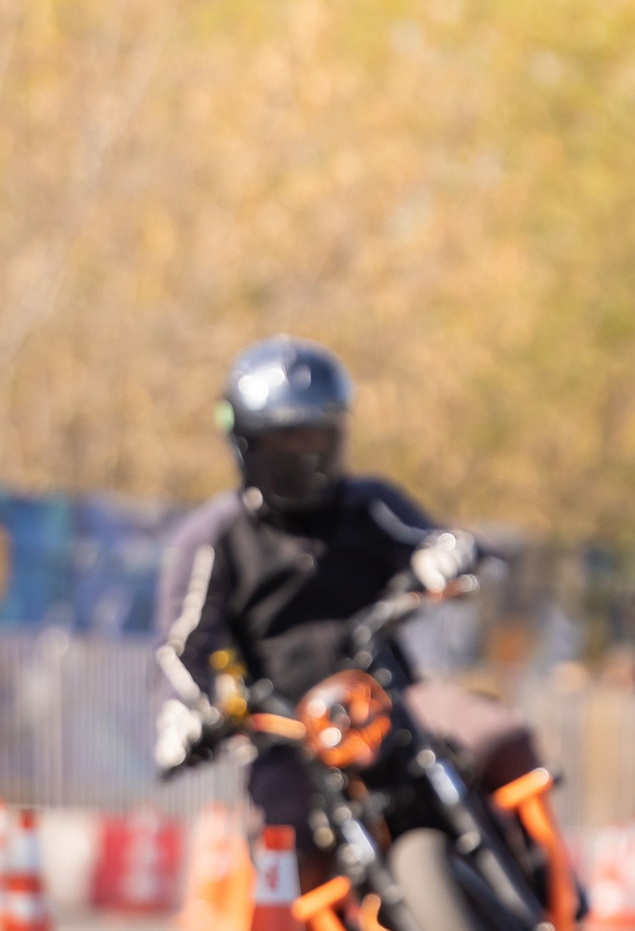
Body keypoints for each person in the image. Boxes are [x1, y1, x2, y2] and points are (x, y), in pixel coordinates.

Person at [153, 336, 539, 872]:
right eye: (285, 443)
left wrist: (448, 553)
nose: (304, 456)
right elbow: (180, 648)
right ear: (245, 444)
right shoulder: (213, 539)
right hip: (287, 734)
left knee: (499, 736)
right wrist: (183, 712)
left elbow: (430, 541)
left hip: (397, 699)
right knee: (281, 847)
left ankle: (545, 876)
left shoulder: (369, 504)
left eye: (317, 437)